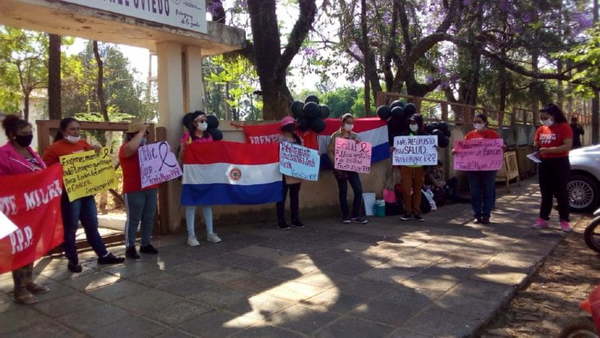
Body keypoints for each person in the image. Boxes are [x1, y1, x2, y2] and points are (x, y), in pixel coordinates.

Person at [43, 117, 124, 272]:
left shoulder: (83, 144)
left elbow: (93, 163)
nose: (76, 132)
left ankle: (104, 255)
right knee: (71, 227)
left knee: (92, 224)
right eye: (72, 129)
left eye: (78, 129)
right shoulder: (54, 148)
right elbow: (44, 169)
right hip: (69, 194)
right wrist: (61, 167)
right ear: (63, 131)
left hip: (86, 193)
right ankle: (73, 261)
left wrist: (97, 151)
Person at [0, 115, 50, 304]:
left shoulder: (31, 151)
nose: (28, 136)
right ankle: (19, 290)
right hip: (14, 211)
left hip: (33, 209)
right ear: (12, 135)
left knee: (30, 245)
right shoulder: (3, 154)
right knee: (18, 248)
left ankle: (29, 280)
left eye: (30, 133)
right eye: (24, 134)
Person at [180, 111, 221, 246]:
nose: (203, 122)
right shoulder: (187, 137)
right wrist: (185, 149)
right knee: (191, 204)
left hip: (206, 174)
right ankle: (191, 235)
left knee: (207, 203)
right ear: (194, 123)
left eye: (205, 120)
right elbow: (182, 156)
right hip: (192, 174)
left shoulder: (209, 136)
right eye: (200, 120)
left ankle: (210, 233)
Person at [119, 122, 159, 259]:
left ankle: (145, 244)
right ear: (131, 136)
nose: (145, 135)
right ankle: (130, 246)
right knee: (134, 219)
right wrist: (141, 132)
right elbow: (131, 149)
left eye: (146, 133)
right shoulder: (124, 148)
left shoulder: (149, 149)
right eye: (141, 133)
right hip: (133, 189)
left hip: (151, 188)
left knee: (149, 218)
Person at [532, 103, 573, 232]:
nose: (544, 120)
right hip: (544, 164)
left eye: (546, 117)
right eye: (542, 118)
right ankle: (543, 219)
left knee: (561, 193)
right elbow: (536, 143)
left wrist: (548, 149)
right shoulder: (541, 129)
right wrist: (537, 148)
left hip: (560, 163)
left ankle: (564, 221)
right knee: (545, 193)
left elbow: (567, 146)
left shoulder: (564, 127)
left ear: (554, 116)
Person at [457, 114, 502, 225]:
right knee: (475, 192)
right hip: (473, 169)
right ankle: (477, 215)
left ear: (485, 122)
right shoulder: (470, 135)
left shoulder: (493, 135)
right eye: (475, 121)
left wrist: (501, 148)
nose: (477, 123)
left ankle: (486, 215)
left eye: (479, 121)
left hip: (489, 169)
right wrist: (456, 150)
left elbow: (500, 147)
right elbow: (462, 147)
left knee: (488, 190)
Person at [328, 113, 368, 224]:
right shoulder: (335, 136)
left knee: (358, 190)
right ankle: (345, 216)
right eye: (348, 122)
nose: (350, 125)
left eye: (352, 123)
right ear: (343, 123)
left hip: (352, 167)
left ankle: (356, 215)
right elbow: (330, 152)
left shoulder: (355, 136)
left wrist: (358, 145)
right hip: (340, 168)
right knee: (343, 191)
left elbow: (361, 151)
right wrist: (336, 166)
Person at [276, 116, 304, 229]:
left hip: (296, 172)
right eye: (290, 126)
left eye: (293, 125)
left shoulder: (299, 139)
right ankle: (281, 221)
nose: (292, 128)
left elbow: (303, 153)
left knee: (295, 196)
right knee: (281, 197)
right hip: (283, 172)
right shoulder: (279, 139)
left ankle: (295, 219)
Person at [398, 114, 427, 222]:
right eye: (410, 122)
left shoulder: (425, 136)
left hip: (420, 167)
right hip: (406, 166)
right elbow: (398, 147)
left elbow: (430, 149)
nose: (412, 124)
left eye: (414, 122)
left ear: (419, 123)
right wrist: (394, 149)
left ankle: (417, 212)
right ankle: (407, 212)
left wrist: (433, 148)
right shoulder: (404, 135)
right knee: (406, 189)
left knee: (417, 190)